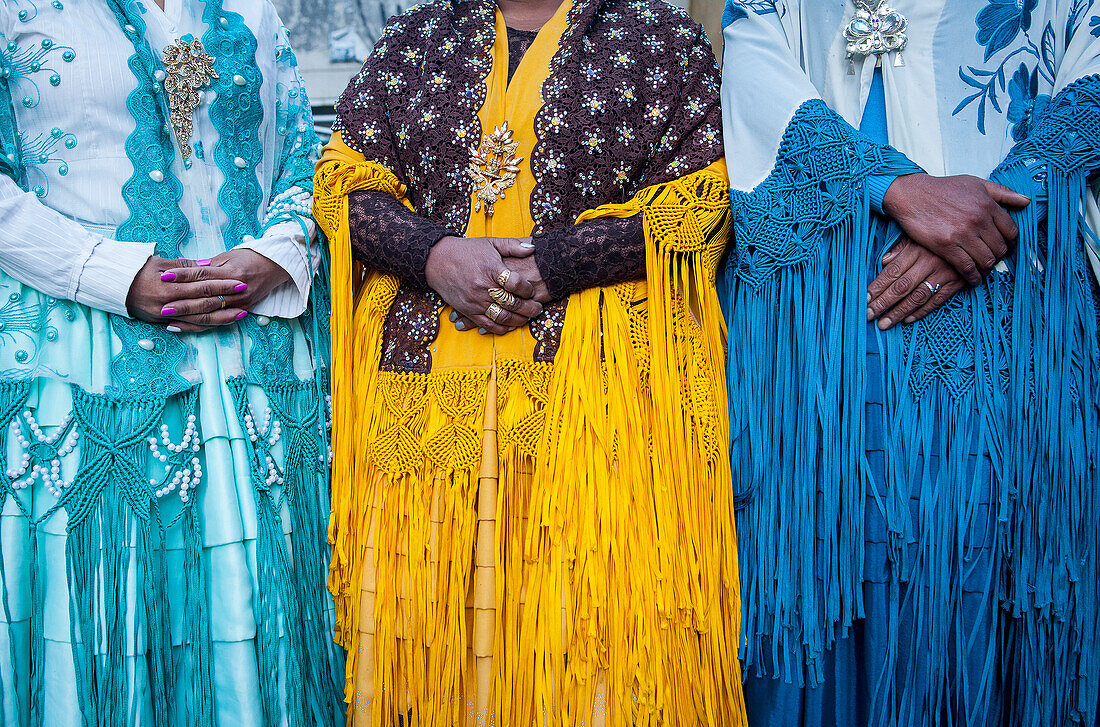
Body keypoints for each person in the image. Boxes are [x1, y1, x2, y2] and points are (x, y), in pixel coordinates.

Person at [313, 0, 746, 722]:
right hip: (429, 420)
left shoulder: (659, 37)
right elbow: (343, 183)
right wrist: (435, 255)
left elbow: (704, 202)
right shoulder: (419, 36)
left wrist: (560, 261)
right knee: (433, 659)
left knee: (592, 662)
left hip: (597, 420)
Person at [720, 1, 1099, 725]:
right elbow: (754, 62)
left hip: (1013, 312)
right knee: (821, 573)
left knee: (991, 567)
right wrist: (893, 186)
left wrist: (997, 208)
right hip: (823, 324)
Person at [0, 1, 343, 724]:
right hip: (83, 370)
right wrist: (108, 272)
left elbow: (309, 162)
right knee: (102, 614)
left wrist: (274, 254)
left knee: (275, 603)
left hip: (261, 367)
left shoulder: (253, 7)